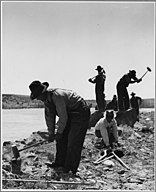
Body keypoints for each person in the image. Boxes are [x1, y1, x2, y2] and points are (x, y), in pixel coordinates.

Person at [29, 80, 90, 174]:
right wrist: (51, 134)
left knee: (73, 141)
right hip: (69, 113)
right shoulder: (47, 101)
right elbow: (49, 118)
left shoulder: (57, 96)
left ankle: (70, 169)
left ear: (43, 93)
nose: (38, 99)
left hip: (80, 111)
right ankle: (60, 163)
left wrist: (59, 132)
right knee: (61, 139)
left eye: (38, 96)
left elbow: (63, 117)